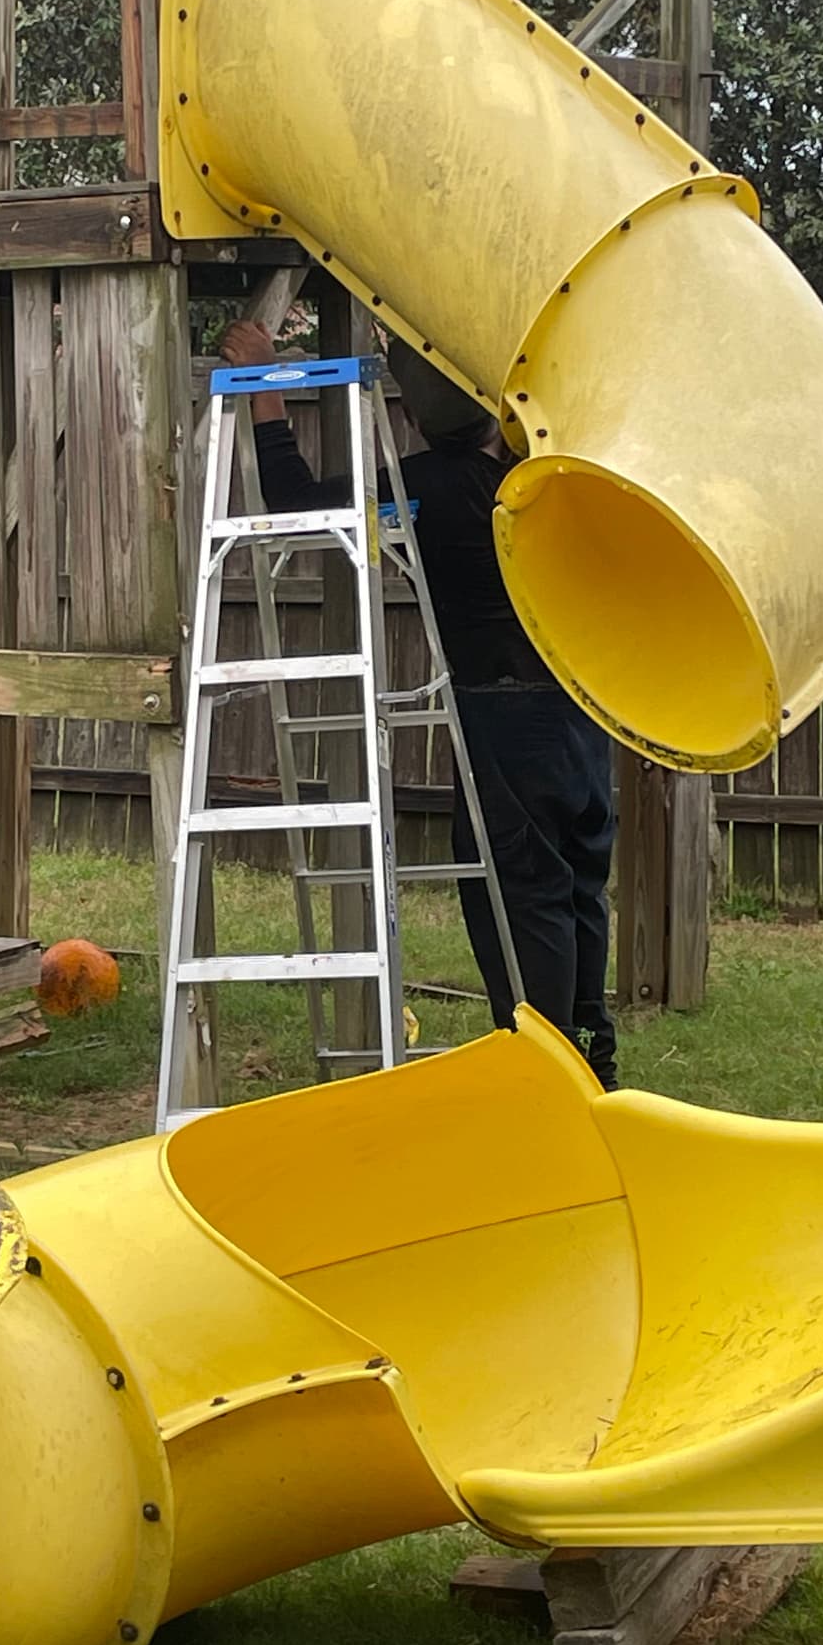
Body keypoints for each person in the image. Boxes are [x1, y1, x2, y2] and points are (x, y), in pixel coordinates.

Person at [221, 320, 618, 1087]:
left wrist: (265, 389)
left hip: (502, 718)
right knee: (576, 882)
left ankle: (544, 1069)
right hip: (581, 712)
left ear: (414, 414)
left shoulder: (426, 489)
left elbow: (300, 502)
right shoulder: (542, 479)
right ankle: (590, 1051)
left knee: (519, 892)